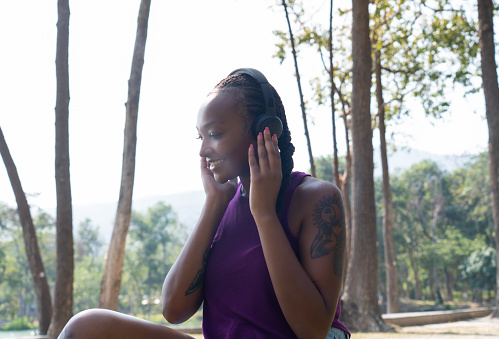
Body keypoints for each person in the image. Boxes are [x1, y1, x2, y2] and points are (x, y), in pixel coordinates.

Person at [58, 68, 350, 339]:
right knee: (84, 328)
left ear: (264, 130)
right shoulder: (224, 205)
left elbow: (313, 330)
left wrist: (264, 215)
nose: (203, 149)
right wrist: (214, 204)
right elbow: (174, 309)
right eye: (200, 136)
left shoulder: (316, 199)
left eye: (215, 134)